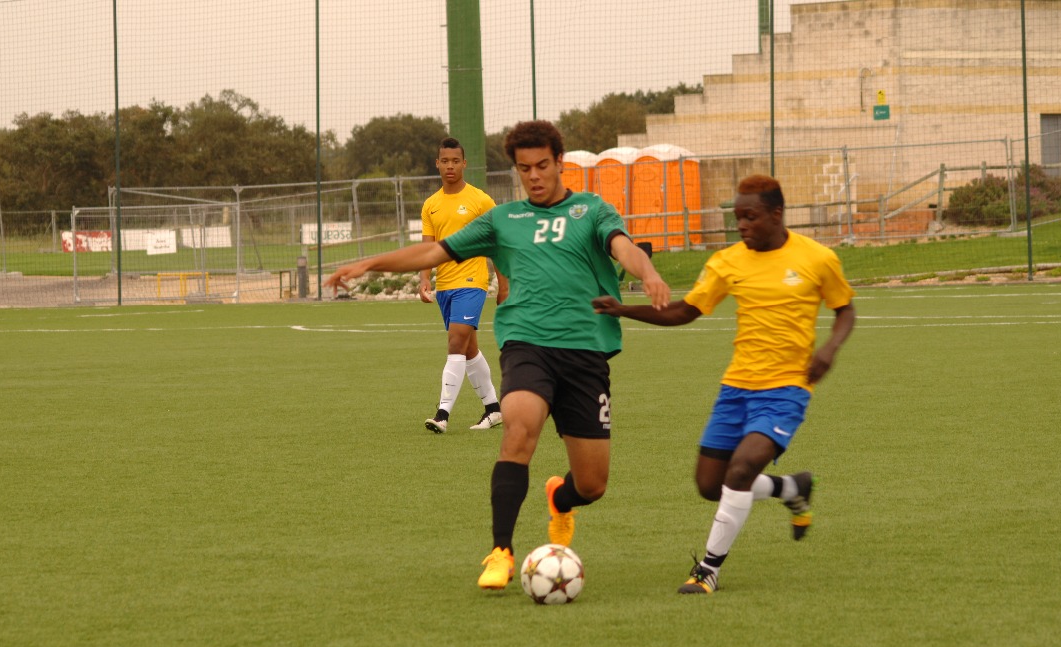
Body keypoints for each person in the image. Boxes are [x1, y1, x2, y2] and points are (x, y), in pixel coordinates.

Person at [327, 120, 671, 590]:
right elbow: (433, 253)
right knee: (518, 425)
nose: (534, 176)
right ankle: (501, 552)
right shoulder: (503, 220)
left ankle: (560, 499)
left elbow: (623, 247)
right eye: (524, 168)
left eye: (542, 165)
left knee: (592, 484)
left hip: (585, 353)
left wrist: (648, 272)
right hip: (527, 345)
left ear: (559, 163)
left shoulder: (591, 209)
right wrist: (369, 262)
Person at [593, 174, 856, 595]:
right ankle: (791, 487)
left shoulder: (817, 258)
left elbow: (845, 310)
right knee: (710, 486)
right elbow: (684, 311)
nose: (742, 225)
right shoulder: (727, 261)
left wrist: (829, 350)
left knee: (741, 468)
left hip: (786, 389)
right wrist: (623, 310)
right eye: (738, 218)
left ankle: (708, 569)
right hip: (736, 388)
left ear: (777, 214)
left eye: (751, 217)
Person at [418, 137, 509, 434]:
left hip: (472, 283)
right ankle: (493, 409)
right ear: (437, 164)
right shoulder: (431, 205)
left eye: (455, 161)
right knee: (469, 350)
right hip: (445, 286)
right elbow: (428, 248)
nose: (450, 166)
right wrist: (424, 279)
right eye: (445, 161)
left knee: (455, 343)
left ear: (464, 164)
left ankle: (442, 414)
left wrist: (503, 284)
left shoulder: (480, 201)